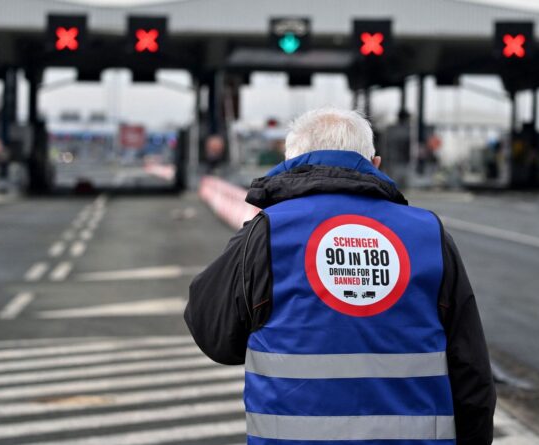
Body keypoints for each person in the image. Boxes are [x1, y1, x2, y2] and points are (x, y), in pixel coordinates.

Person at [185, 108, 496, 444]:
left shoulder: (267, 235)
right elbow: (472, 373)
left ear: (291, 161)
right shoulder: (429, 236)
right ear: (374, 164)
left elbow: (214, 335)